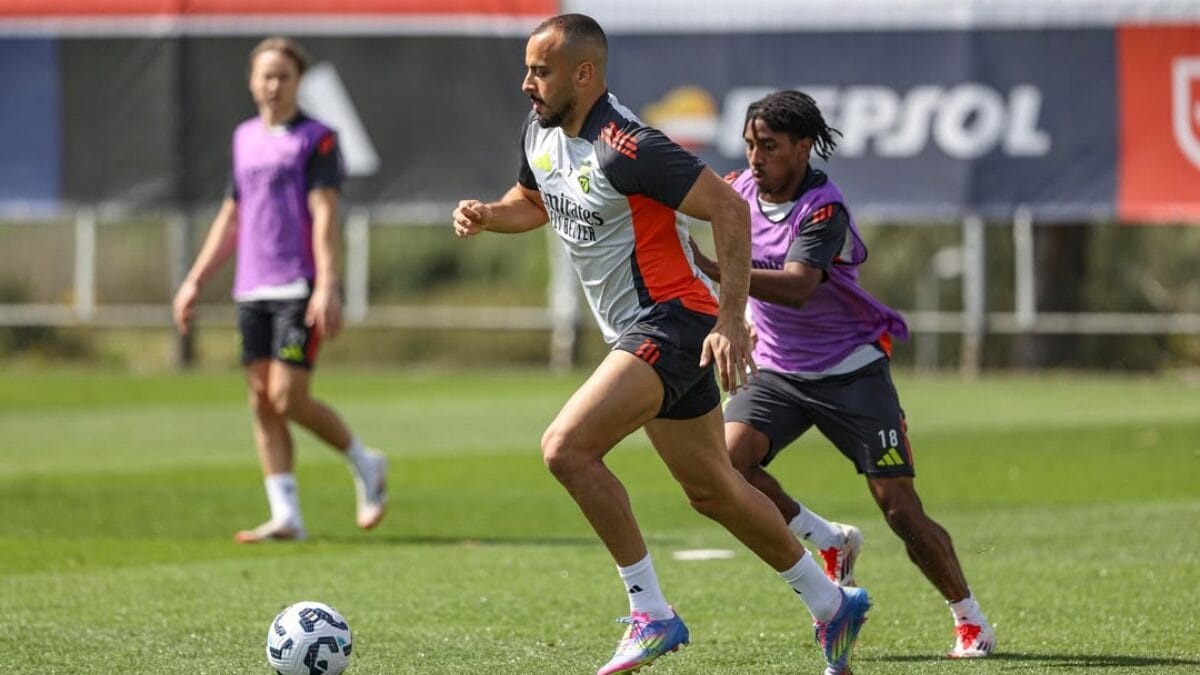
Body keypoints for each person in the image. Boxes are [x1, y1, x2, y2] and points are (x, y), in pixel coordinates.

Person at [452, 15, 869, 675]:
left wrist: (732, 318)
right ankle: (832, 604)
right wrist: (489, 214)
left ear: (584, 74)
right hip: (649, 329)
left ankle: (651, 612)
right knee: (715, 491)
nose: (527, 83)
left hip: (672, 320)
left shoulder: (630, 145)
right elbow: (532, 202)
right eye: (528, 68)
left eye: (542, 70)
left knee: (567, 448)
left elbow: (727, 211)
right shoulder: (540, 131)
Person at [689, 89, 995, 658]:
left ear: (804, 147)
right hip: (779, 371)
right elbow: (679, 198)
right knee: (727, 467)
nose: (756, 158)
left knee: (901, 510)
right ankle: (827, 539)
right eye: (751, 145)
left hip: (851, 371)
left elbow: (802, 285)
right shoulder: (737, 190)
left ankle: (970, 618)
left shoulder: (824, 209)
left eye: (770, 147)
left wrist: (726, 272)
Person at [171, 37, 388, 544]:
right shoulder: (244, 137)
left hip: (297, 284)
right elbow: (231, 215)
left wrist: (327, 283)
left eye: (283, 76)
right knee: (262, 404)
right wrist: (195, 280)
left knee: (287, 397)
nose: (273, 85)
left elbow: (325, 214)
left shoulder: (317, 138)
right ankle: (286, 516)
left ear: (297, 82)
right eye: (265, 76)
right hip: (252, 287)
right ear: (251, 81)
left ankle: (366, 462)